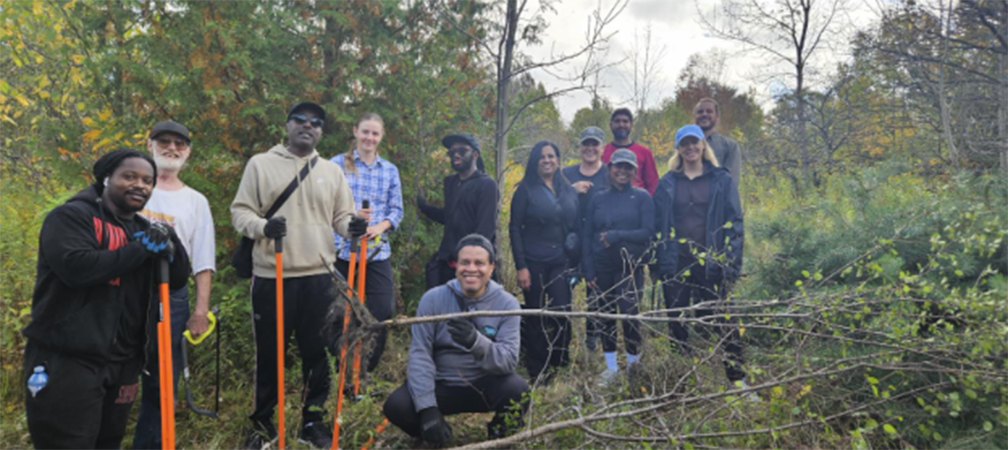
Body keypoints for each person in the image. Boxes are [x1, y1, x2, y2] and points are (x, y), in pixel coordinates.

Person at [23, 149, 190, 450]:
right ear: (106, 178)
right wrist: (140, 251)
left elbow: (177, 279)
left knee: (108, 443)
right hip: (68, 360)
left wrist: (170, 241)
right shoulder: (70, 217)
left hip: (124, 361)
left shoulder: (142, 230)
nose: (140, 185)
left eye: (147, 180)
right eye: (129, 176)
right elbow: (76, 268)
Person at [230, 102, 367, 449]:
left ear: (321, 131)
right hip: (272, 274)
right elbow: (240, 211)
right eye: (301, 121)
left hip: (319, 275)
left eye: (316, 123)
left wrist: (352, 225)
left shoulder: (331, 171)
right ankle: (263, 424)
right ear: (288, 125)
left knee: (316, 351)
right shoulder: (261, 164)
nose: (308, 126)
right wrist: (262, 226)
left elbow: (340, 215)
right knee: (270, 352)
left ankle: (312, 420)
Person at [383, 234, 528, 447]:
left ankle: (500, 433)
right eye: (465, 262)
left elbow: (508, 361)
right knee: (396, 406)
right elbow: (420, 354)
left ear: (491, 268)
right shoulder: (432, 299)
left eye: (479, 263)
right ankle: (434, 432)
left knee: (518, 391)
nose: (471, 269)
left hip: (484, 384)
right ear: (455, 265)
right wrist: (427, 408)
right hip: (441, 385)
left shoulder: (507, 304)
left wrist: (474, 342)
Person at [132, 121, 216, 450]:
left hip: (172, 299)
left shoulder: (195, 201)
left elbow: (204, 260)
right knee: (117, 377)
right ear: (149, 144)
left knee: (163, 381)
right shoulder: (132, 187)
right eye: (164, 141)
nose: (172, 148)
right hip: (125, 293)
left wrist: (200, 311)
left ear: (188, 152)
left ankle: (152, 443)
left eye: (179, 144)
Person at [654, 124, 747, 387]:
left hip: (712, 265)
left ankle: (738, 380)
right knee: (678, 323)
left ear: (703, 145)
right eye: (684, 143)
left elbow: (735, 223)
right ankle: (683, 380)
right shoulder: (667, 183)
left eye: (694, 142)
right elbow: (658, 225)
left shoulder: (721, 179)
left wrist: (731, 264)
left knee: (724, 321)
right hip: (677, 264)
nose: (690, 147)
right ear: (678, 148)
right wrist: (660, 263)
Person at [330, 113, 404, 377]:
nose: (369, 138)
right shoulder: (335, 165)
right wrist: (351, 219)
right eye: (365, 132)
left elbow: (396, 210)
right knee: (338, 313)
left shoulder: (389, 170)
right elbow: (324, 205)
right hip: (341, 249)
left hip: (375, 252)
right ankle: (339, 371)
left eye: (375, 133)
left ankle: (365, 371)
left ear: (381, 137)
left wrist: (378, 227)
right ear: (355, 132)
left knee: (381, 311)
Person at [582, 149, 654, 384]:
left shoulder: (642, 197)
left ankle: (634, 366)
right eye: (617, 167)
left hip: (630, 267)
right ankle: (611, 367)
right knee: (606, 314)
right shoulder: (598, 198)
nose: (622, 171)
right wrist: (588, 269)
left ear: (634, 171)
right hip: (602, 265)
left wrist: (616, 235)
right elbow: (587, 234)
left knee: (630, 314)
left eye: (627, 167)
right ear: (609, 168)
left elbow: (647, 233)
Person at [509, 140, 578, 382]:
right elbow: (515, 228)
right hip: (533, 260)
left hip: (560, 261)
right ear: (535, 162)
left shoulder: (567, 188)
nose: (547, 160)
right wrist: (521, 266)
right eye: (542, 157)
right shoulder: (525, 190)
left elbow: (575, 223)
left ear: (558, 160)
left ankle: (560, 362)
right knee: (535, 313)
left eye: (551, 156)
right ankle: (537, 368)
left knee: (562, 309)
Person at [417, 133, 499, 289]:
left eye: (462, 150)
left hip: (473, 267)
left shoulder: (487, 185)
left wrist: (469, 260)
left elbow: (485, 228)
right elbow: (451, 216)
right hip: (448, 262)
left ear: (475, 154)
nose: (456, 154)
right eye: (452, 152)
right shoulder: (451, 183)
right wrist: (425, 208)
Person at [561, 126, 609, 352]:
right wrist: (571, 190)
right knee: (562, 291)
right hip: (568, 241)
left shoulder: (609, 173)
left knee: (595, 292)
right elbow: (550, 201)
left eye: (595, 144)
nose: (590, 148)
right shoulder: (567, 174)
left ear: (602, 147)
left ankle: (592, 339)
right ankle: (562, 339)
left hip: (597, 242)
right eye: (586, 144)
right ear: (579, 146)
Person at [602, 108, 659, 196]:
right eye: (617, 121)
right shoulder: (602, 152)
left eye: (625, 121)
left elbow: (653, 184)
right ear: (611, 125)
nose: (621, 125)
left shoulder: (644, 152)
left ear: (632, 126)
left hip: (637, 203)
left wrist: (647, 203)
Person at [694, 98, 743, 193]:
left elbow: (732, 183)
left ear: (717, 116)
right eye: (700, 112)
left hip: (717, 204)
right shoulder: (685, 145)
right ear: (695, 116)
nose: (704, 114)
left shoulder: (730, 146)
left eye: (709, 111)